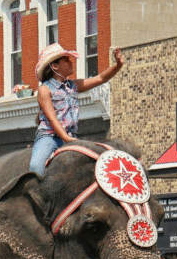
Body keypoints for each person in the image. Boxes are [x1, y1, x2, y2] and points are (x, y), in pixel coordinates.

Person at [28, 43, 125, 175]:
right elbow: (52, 119)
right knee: (36, 166)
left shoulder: (73, 86)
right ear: (54, 66)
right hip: (50, 138)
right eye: (66, 60)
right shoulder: (44, 90)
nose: (71, 62)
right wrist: (67, 139)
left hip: (70, 137)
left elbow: (101, 78)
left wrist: (118, 65)